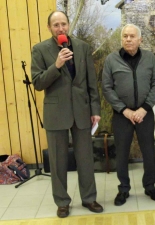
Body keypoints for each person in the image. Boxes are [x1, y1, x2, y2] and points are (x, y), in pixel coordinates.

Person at [31, 11, 103, 218]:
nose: (60, 28)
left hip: (82, 111)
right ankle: (62, 201)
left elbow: (91, 83)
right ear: (49, 28)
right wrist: (57, 65)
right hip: (56, 113)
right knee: (58, 161)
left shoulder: (82, 47)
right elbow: (38, 83)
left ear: (68, 24)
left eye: (63, 24)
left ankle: (89, 198)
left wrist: (95, 110)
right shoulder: (40, 50)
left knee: (85, 159)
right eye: (56, 25)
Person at [102, 24, 155, 206]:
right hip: (122, 115)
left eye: (132, 36)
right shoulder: (111, 60)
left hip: (145, 113)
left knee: (148, 151)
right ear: (122, 40)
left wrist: (144, 108)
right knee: (121, 153)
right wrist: (125, 110)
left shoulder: (149, 58)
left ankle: (150, 186)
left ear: (140, 39)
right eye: (125, 36)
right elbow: (107, 88)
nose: (128, 39)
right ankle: (123, 189)